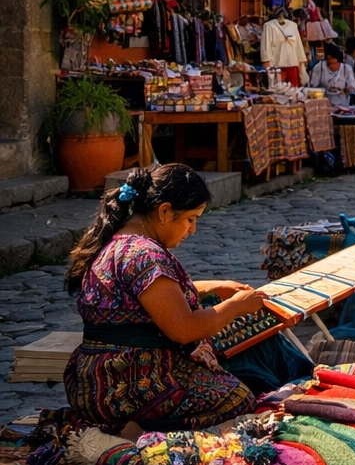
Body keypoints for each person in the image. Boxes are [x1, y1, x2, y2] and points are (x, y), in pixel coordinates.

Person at [64, 165, 310, 435]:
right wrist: (236, 307)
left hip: (91, 381)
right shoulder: (145, 255)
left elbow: (151, 297)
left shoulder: (117, 242)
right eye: (191, 219)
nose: (193, 229)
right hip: (125, 387)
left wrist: (210, 288)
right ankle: (139, 428)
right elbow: (184, 329)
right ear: (165, 211)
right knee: (237, 400)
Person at [306, 42, 355, 107]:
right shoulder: (320, 67)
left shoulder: (346, 69)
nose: (333, 66)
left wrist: (344, 90)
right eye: (330, 63)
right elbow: (313, 86)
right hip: (324, 105)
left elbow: (352, 87)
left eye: (335, 63)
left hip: (342, 105)